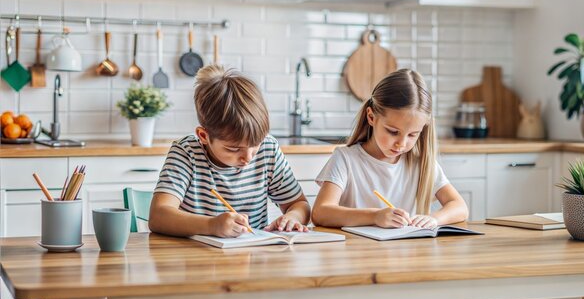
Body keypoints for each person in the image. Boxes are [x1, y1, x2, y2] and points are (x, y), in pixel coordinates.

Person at [149, 66, 310, 238]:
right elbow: (159, 217)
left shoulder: (268, 149)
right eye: (233, 149)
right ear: (204, 136)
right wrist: (211, 225)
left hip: (252, 256)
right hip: (195, 257)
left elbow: (300, 204)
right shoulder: (187, 153)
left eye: (255, 144)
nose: (247, 158)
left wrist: (292, 217)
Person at [312, 69, 468, 229]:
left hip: (407, 252)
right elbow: (320, 213)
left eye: (413, 135)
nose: (401, 144)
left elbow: (459, 207)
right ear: (371, 117)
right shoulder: (345, 159)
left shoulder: (421, 163)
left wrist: (435, 219)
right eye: (393, 132)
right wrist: (375, 216)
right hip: (357, 251)